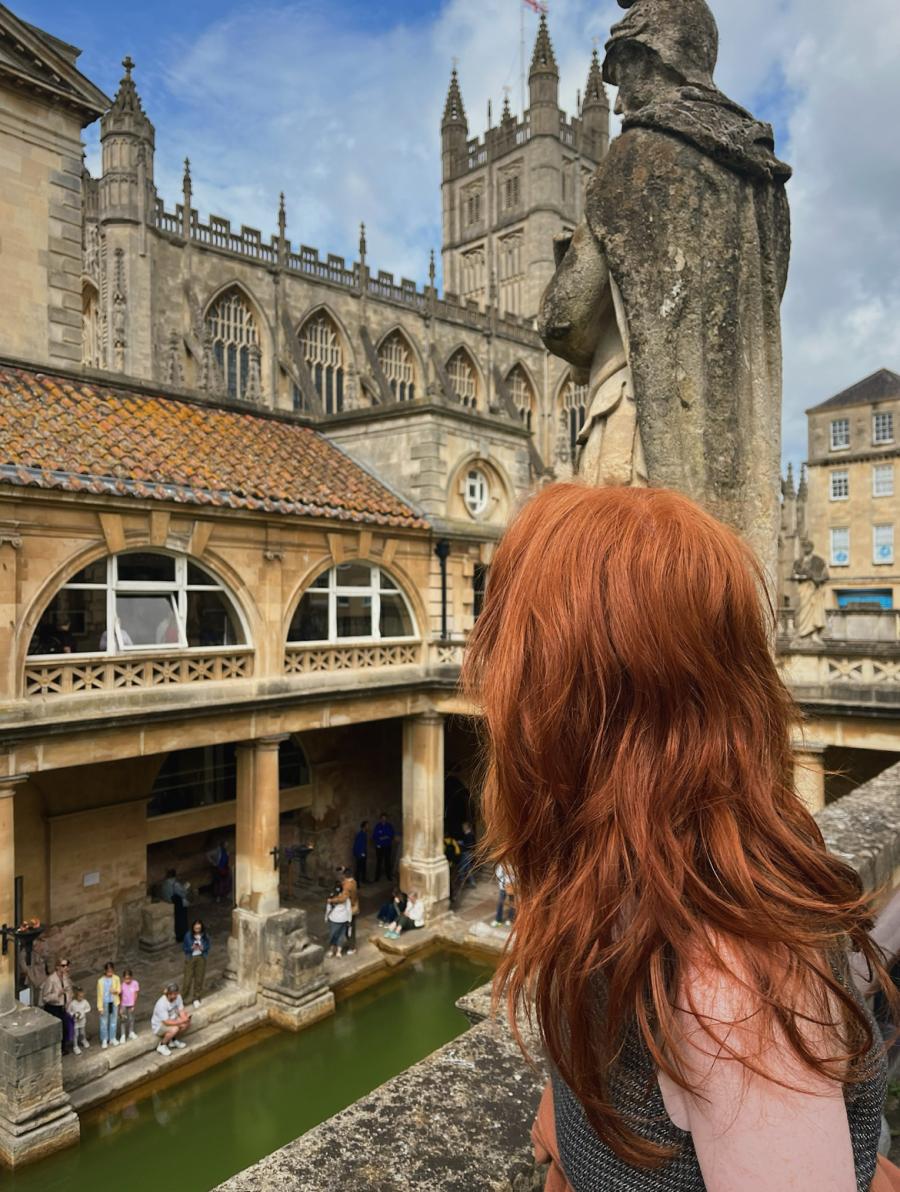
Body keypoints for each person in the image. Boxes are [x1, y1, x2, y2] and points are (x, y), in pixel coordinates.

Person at [462, 482, 900, 1192]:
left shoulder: (731, 988)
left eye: (516, 656)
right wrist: (574, 1122)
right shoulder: (615, 875)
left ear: (577, 709)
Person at [40, 958, 74, 1054]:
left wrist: (69, 1002)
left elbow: (69, 991)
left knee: (65, 1027)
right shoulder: (51, 979)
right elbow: (45, 997)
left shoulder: (66, 977)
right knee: (57, 1029)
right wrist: (58, 994)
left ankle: (63, 1047)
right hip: (54, 1007)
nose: (66, 967)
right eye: (63, 966)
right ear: (57, 967)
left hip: (63, 1006)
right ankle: (57, 1049)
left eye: (67, 965)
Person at [151, 982, 191, 1057]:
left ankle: (172, 1040)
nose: (174, 996)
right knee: (175, 1028)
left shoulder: (178, 997)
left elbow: (181, 1010)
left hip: (173, 1019)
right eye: (172, 994)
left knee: (186, 1024)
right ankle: (162, 1045)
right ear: (168, 994)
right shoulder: (161, 1004)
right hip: (159, 1025)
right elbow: (166, 1022)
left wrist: (185, 1018)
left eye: (175, 994)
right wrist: (181, 1021)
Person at [182, 919, 210, 1007]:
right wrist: (191, 948)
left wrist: (203, 948)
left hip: (201, 958)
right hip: (191, 958)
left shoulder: (205, 936)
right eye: (196, 928)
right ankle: (182, 998)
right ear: (193, 927)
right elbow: (184, 948)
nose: (197, 929)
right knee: (187, 980)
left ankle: (196, 998)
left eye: (199, 928)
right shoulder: (188, 935)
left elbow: (208, 946)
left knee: (199, 979)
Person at [96, 961, 121, 1050]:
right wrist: (100, 1007)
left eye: (111, 970)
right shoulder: (100, 981)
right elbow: (99, 995)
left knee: (113, 1020)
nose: (110, 972)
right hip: (105, 1002)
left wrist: (115, 991)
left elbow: (119, 989)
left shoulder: (116, 978)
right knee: (104, 1021)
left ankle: (112, 1037)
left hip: (114, 1002)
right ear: (105, 971)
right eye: (108, 971)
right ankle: (104, 1039)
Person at [325, 882, 351, 959]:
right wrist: (349, 919)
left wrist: (326, 917)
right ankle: (338, 952)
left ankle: (331, 951)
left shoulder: (331, 898)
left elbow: (328, 908)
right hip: (343, 919)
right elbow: (348, 909)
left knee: (332, 935)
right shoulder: (346, 898)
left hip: (334, 919)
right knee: (341, 935)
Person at [337, 867, 359, 956]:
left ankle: (352, 947)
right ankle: (350, 945)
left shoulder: (348, 885)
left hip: (349, 910)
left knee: (349, 929)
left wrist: (333, 900)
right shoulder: (353, 882)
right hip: (353, 908)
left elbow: (344, 898)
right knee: (349, 928)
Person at [119, 968, 140, 1042]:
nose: (127, 980)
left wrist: (134, 1004)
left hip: (131, 1004)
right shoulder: (122, 985)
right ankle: (123, 1034)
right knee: (123, 1019)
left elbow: (135, 994)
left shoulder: (135, 983)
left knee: (131, 1018)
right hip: (124, 1004)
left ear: (131, 977)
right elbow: (120, 996)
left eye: (129, 979)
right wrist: (120, 1007)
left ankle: (131, 1032)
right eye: (126, 979)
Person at [372, 813, 395, 881]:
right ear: (380, 819)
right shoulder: (377, 826)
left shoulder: (389, 826)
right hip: (379, 846)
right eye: (382, 818)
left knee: (387, 861)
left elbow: (391, 835)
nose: (383, 819)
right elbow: (375, 836)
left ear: (386, 818)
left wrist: (382, 837)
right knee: (379, 861)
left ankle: (389, 876)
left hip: (387, 846)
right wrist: (384, 837)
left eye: (385, 818)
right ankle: (377, 877)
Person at [69, 986, 91, 1055]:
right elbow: (69, 1011)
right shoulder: (72, 1003)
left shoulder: (85, 1002)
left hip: (82, 1020)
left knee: (82, 1032)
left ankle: (83, 1040)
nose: (81, 998)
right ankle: (75, 1046)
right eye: (79, 996)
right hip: (75, 1021)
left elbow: (88, 1008)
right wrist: (73, 1014)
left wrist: (83, 1012)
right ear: (76, 996)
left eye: (82, 996)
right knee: (76, 1034)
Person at [492, 863, 515, 928]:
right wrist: (505, 873)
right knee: (500, 902)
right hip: (503, 886)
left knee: (512, 903)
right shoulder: (502, 864)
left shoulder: (516, 864)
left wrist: (512, 874)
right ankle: (498, 920)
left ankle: (510, 919)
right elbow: (498, 874)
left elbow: (518, 875)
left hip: (512, 886)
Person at [458, 821, 477, 889]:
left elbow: (469, 845)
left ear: (466, 827)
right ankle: (472, 882)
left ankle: (462, 883)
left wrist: (461, 843)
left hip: (466, 853)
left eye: (463, 827)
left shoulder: (469, 835)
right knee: (468, 868)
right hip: (468, 853)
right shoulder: (470, 834)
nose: (462, 828)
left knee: (461, 869)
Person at [353, 821, 369, 886]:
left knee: (363, 868)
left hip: (362, 853)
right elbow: (358, 845)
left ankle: (363, 880)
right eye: (367, 825)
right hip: (360, 854)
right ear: (364, 826)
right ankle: (357, 883)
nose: (368, 827)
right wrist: (361, 853)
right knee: (359, 869)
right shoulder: (360, 835)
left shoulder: (364, 834)